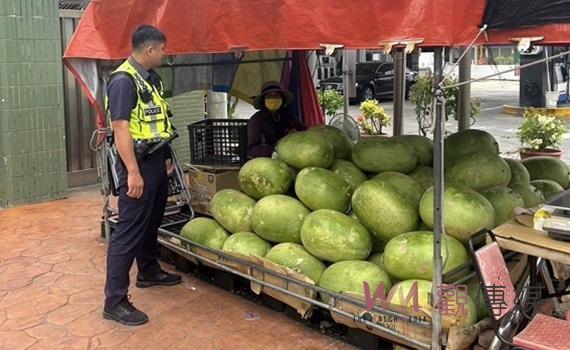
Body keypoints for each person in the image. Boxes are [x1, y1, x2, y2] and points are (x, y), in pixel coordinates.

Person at [103, 24, 181, 326]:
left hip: (156, 161)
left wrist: (164, 160)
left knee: (152, 219)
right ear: (150, 49)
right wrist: (133, 173)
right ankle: (115, 301)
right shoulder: (124, 80)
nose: (165, 53)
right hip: (136, 164)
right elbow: (120, 129)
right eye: (163, 49)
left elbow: (155, 122)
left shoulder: (151, 80)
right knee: (128, 231)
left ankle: (148, 271)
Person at [247, 81, 303, 158]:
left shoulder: (287, 114)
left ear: (282, 99)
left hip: (290, 155)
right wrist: (277, 147)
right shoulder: (257, 120)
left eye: (277, 95)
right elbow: (252, 150)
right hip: (267, 160)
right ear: (263, 100)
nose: (273, 99)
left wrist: (296, 133)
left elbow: (302, 129)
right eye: (269, 96)